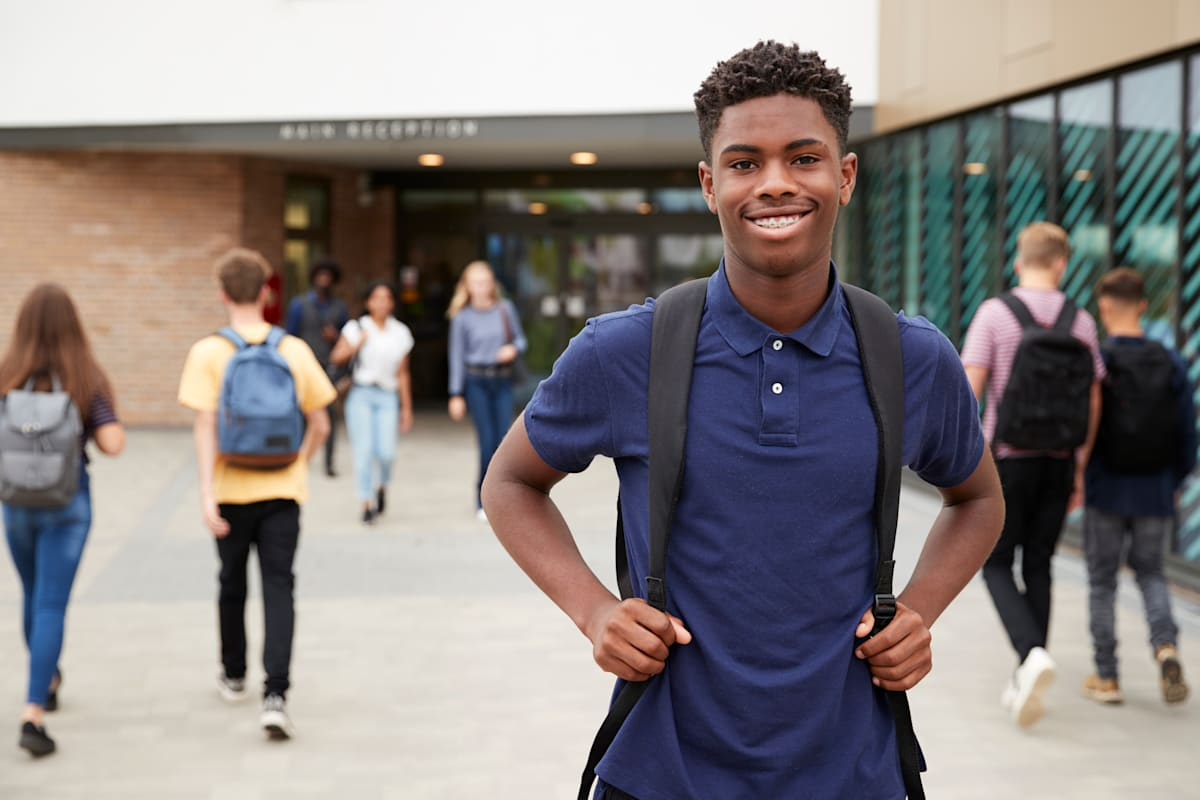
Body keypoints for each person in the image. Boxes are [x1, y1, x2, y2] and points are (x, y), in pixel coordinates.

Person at [481, 41, 1004, 799]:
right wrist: (594, 612)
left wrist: (918, 612)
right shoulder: (627, 351)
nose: (776, 184)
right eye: (744, 162)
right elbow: (509, 483)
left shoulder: (910, 356)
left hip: (855, 770)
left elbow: (979, 497)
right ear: (709, 183)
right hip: (662, 772)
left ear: (846, 175)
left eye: (804, 157)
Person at [178, 248, 335, 740]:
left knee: (231, 582)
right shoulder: (292, 350)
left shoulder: (208, 353)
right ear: (267, 292)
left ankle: (233, 671)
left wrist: (206, 494)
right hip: (283, 492)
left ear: (222, 293)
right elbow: (322, 423)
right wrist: (295, 464)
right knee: (279, 586)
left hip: (229, 491)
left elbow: (205, 426)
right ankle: (275, 694)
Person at [961, 221, 1106, 727]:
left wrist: (965, 465)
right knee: (1039, 562)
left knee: (997, 562)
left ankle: (1029, 656)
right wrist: (1080, 467)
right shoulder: (1081, 322)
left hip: (1007, 458)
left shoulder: (996, 314)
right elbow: (1093, 398)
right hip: (1060, 460)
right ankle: (1030, 664)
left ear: (1018, 260)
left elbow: (968, 385)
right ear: (1062, 263)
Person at [0, 284, 125, 758]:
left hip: (14, 504)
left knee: (32, 595)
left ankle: (47, 677)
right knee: (51, 603)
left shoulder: (6, 373)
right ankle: (34, 709)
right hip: (67, 505)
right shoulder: (85, 376)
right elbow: (113, 444)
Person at [1081, 267, 1192, 705]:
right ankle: (1165, 646)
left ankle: (1107, 677)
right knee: (1152, 574)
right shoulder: (1171, 360)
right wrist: (1174, 481)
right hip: (1155, 490)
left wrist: (1081, 475)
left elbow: (1084, 426)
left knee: (1102, 582)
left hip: (1106, 487)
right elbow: (1188, 432)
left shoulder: (1099, 361)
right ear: (1144, 305)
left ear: (1104, 306)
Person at [446, 260, 527, 521]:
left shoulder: (505, 309)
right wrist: (455, 393)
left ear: (491, 284)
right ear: (467, 287)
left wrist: (512, 349)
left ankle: (504, 497)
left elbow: (520, 339)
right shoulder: (462, 317)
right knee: (486, 442)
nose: (481, 288)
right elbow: (456, 356)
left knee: (504, 440)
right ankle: (482, 497)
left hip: (501, 380)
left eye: (484, 282)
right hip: (476, 381)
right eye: (475, 283)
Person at [330, 280, 414, 525]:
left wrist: (406, 408)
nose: (381, 303)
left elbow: (403, 373)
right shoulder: (357, 327)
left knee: (386, 453)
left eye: (386, 298)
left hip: (387, 395)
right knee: (364, 451)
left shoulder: (400, 332)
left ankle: (382, 486)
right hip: (361, 394)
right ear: (368, 302)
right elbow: (336, 356)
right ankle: (366, 502)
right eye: (376, 298)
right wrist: (357, 344)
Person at [286, 258, 350, 477]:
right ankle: (298, 457)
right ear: (314, 278)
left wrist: (336, 337)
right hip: (304, 365)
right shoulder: (299, 304)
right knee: (302, 413)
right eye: (320, 275)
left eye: (328, 276)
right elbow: (290, 336)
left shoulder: (339, 307)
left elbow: (346, 340)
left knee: (329, 415)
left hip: (328, 367)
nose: (324, 279)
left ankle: (329, 463)